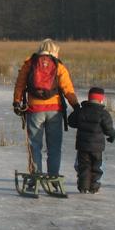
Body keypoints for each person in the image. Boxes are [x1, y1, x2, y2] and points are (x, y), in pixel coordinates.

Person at [11, 38, 79, 178]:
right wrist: (76, 106)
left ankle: (36, 175)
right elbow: (67, 88)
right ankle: (53, 177)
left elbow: (20, 84)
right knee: (54, 147)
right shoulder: (58, 65)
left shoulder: (30, 63)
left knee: (34, 146)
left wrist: (17, 102)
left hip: (34, 109)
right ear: (54, 51)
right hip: (55, 110)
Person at [66, 87, 115, 193]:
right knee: (96, 167)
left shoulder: (81, 111)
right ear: (101, 99)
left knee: (84, 166)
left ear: (89, 98)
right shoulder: (103, 113)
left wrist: (76, 110)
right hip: (97, 148)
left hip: (83, 146)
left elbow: (71, 122)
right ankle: (94, 187)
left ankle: (83, 187)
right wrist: (112, 136)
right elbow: (108, 128)